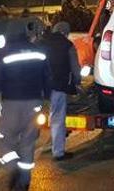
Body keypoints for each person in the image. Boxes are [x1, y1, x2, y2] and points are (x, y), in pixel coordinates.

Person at [0, 19, 50, 191]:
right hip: (35, 104)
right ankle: (23, 183)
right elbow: (47, 77)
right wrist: (47, 101)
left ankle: (13, 166)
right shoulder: (38, 51)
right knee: (28, 143)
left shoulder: (4, 52)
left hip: (12, 104)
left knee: (2, 139)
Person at [40, 21, 81, 161]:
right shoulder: (68, 46)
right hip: (59, 86)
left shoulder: (43, 43)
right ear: (65, 32)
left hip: (41, 87)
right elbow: (75, 68)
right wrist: (77, 81)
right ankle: (58, 152)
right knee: (57, 118)